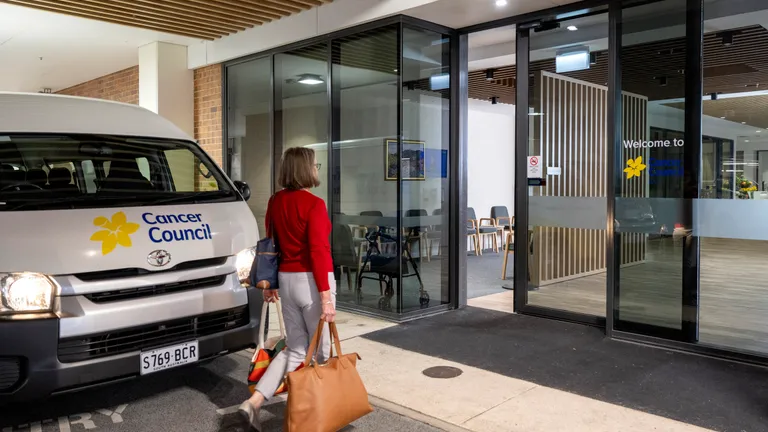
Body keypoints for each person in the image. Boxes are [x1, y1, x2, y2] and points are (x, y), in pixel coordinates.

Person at [239, 147, 337, 432]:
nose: (317, 168)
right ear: (306, 169)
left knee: (295, 349)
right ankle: (312, 415)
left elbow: (271, 243)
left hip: (287, 279)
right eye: (315, 164)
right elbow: (318, 251)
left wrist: (271, 285)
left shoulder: (275, 201)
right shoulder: (314, 205)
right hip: (312, 282)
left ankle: (254, 403)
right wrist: (326, 297)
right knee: (320, 353)